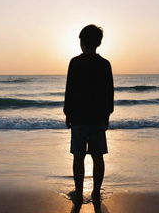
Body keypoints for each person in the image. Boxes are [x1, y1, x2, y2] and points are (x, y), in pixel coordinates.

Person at [63, 24, 114, 209]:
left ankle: (79, 190)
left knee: (78, 156)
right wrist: (108, 114)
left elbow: (70, 90)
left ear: (82, 42)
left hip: (79, 118)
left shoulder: (75, 63)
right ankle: (96, 191)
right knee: (97, 156)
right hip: (98, 118)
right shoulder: (104, 64)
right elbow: (109, 93)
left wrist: (67, 112)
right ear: (98, 43)